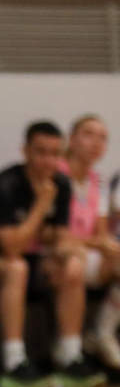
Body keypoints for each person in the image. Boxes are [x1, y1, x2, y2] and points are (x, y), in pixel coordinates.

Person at [0, 121, 107, 387]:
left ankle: (70, 355)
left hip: (24, 257)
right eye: (41, 152)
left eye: (54, 153)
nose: (48, 161)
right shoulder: (5, 185)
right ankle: (14, 361)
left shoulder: (61, 183)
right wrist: (41, 204)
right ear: (25, 151)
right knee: (16, 268)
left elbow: (58, 237)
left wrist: (73, 254)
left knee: (68, 266)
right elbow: (10, 248)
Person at [58, 115, 120, 368]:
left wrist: (105, 244)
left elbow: (101, 234)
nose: (96, 143)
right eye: (88, 134)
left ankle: (102, 332)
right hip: (54, 254)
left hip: (86, 253)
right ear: (71, 139)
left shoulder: (97, 181)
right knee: (73, 263)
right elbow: (51, 234)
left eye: (103, 138)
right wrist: (96, 244)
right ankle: (70, 349)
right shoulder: (56, 175)